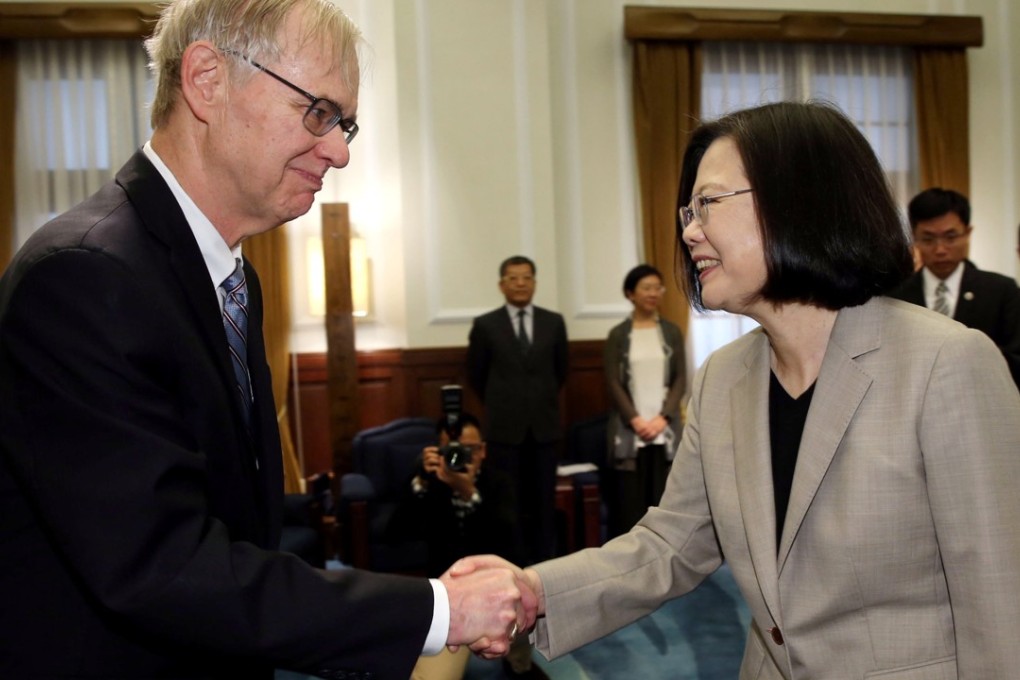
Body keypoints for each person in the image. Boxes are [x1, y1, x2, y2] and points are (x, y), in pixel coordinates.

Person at [0, 2, 534, 678]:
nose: (340, 151)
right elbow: (164, 569)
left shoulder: (229, 277)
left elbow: (230, 521)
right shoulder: (83, 277)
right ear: (206, 80)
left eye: (346, 125)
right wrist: (440, 611)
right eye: (318, 112)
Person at [452, 101, 1020, 678]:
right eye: (687, 211)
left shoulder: (947, 363)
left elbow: (1000, 604)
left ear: (798, 203)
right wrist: (534, 591)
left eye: (709, 205)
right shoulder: (724, 377)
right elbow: (674, 543)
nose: (689, 231)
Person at [388, 413, 543, 679]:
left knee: (493, 667)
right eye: (452, 450)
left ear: (482, 451)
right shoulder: (430, 484)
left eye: (468, 450)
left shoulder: (500, 483)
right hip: (446, 598)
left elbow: (514, 548)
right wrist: (421, 484)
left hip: (499, 595)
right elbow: (395, 534)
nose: (459, 457)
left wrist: (470, 494)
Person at [467, 256, 568, 565]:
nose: (521, 283)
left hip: (544, 430)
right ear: (502, 285)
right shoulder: (485, 325)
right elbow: (477, 375)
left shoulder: (553, 322)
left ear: (534, 283)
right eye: (513, 278)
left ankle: (544, 569)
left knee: (543, 504)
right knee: (507, 505)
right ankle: (510, 566)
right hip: (503, 432)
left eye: (527, 277)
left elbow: (560, 371)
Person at [889, 187, 1020, 389]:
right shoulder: (896, 296)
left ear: (967, 233)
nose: (940, 249)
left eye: (951, 237)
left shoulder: (1001, 291)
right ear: (914, 237)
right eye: (928, 239)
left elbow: (1016, 359)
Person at [603, 264, 686, 536]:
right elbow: (614, 382)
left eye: (657, 288)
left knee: (664, 506)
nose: (653, 293)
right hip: (630, 433)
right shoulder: (618, 334)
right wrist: (636, 420)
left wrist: (663, 418)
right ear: (631, 294)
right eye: (646, 288)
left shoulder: (672, 332)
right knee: (629, 509)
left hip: (665, 430)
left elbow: (680, 380)